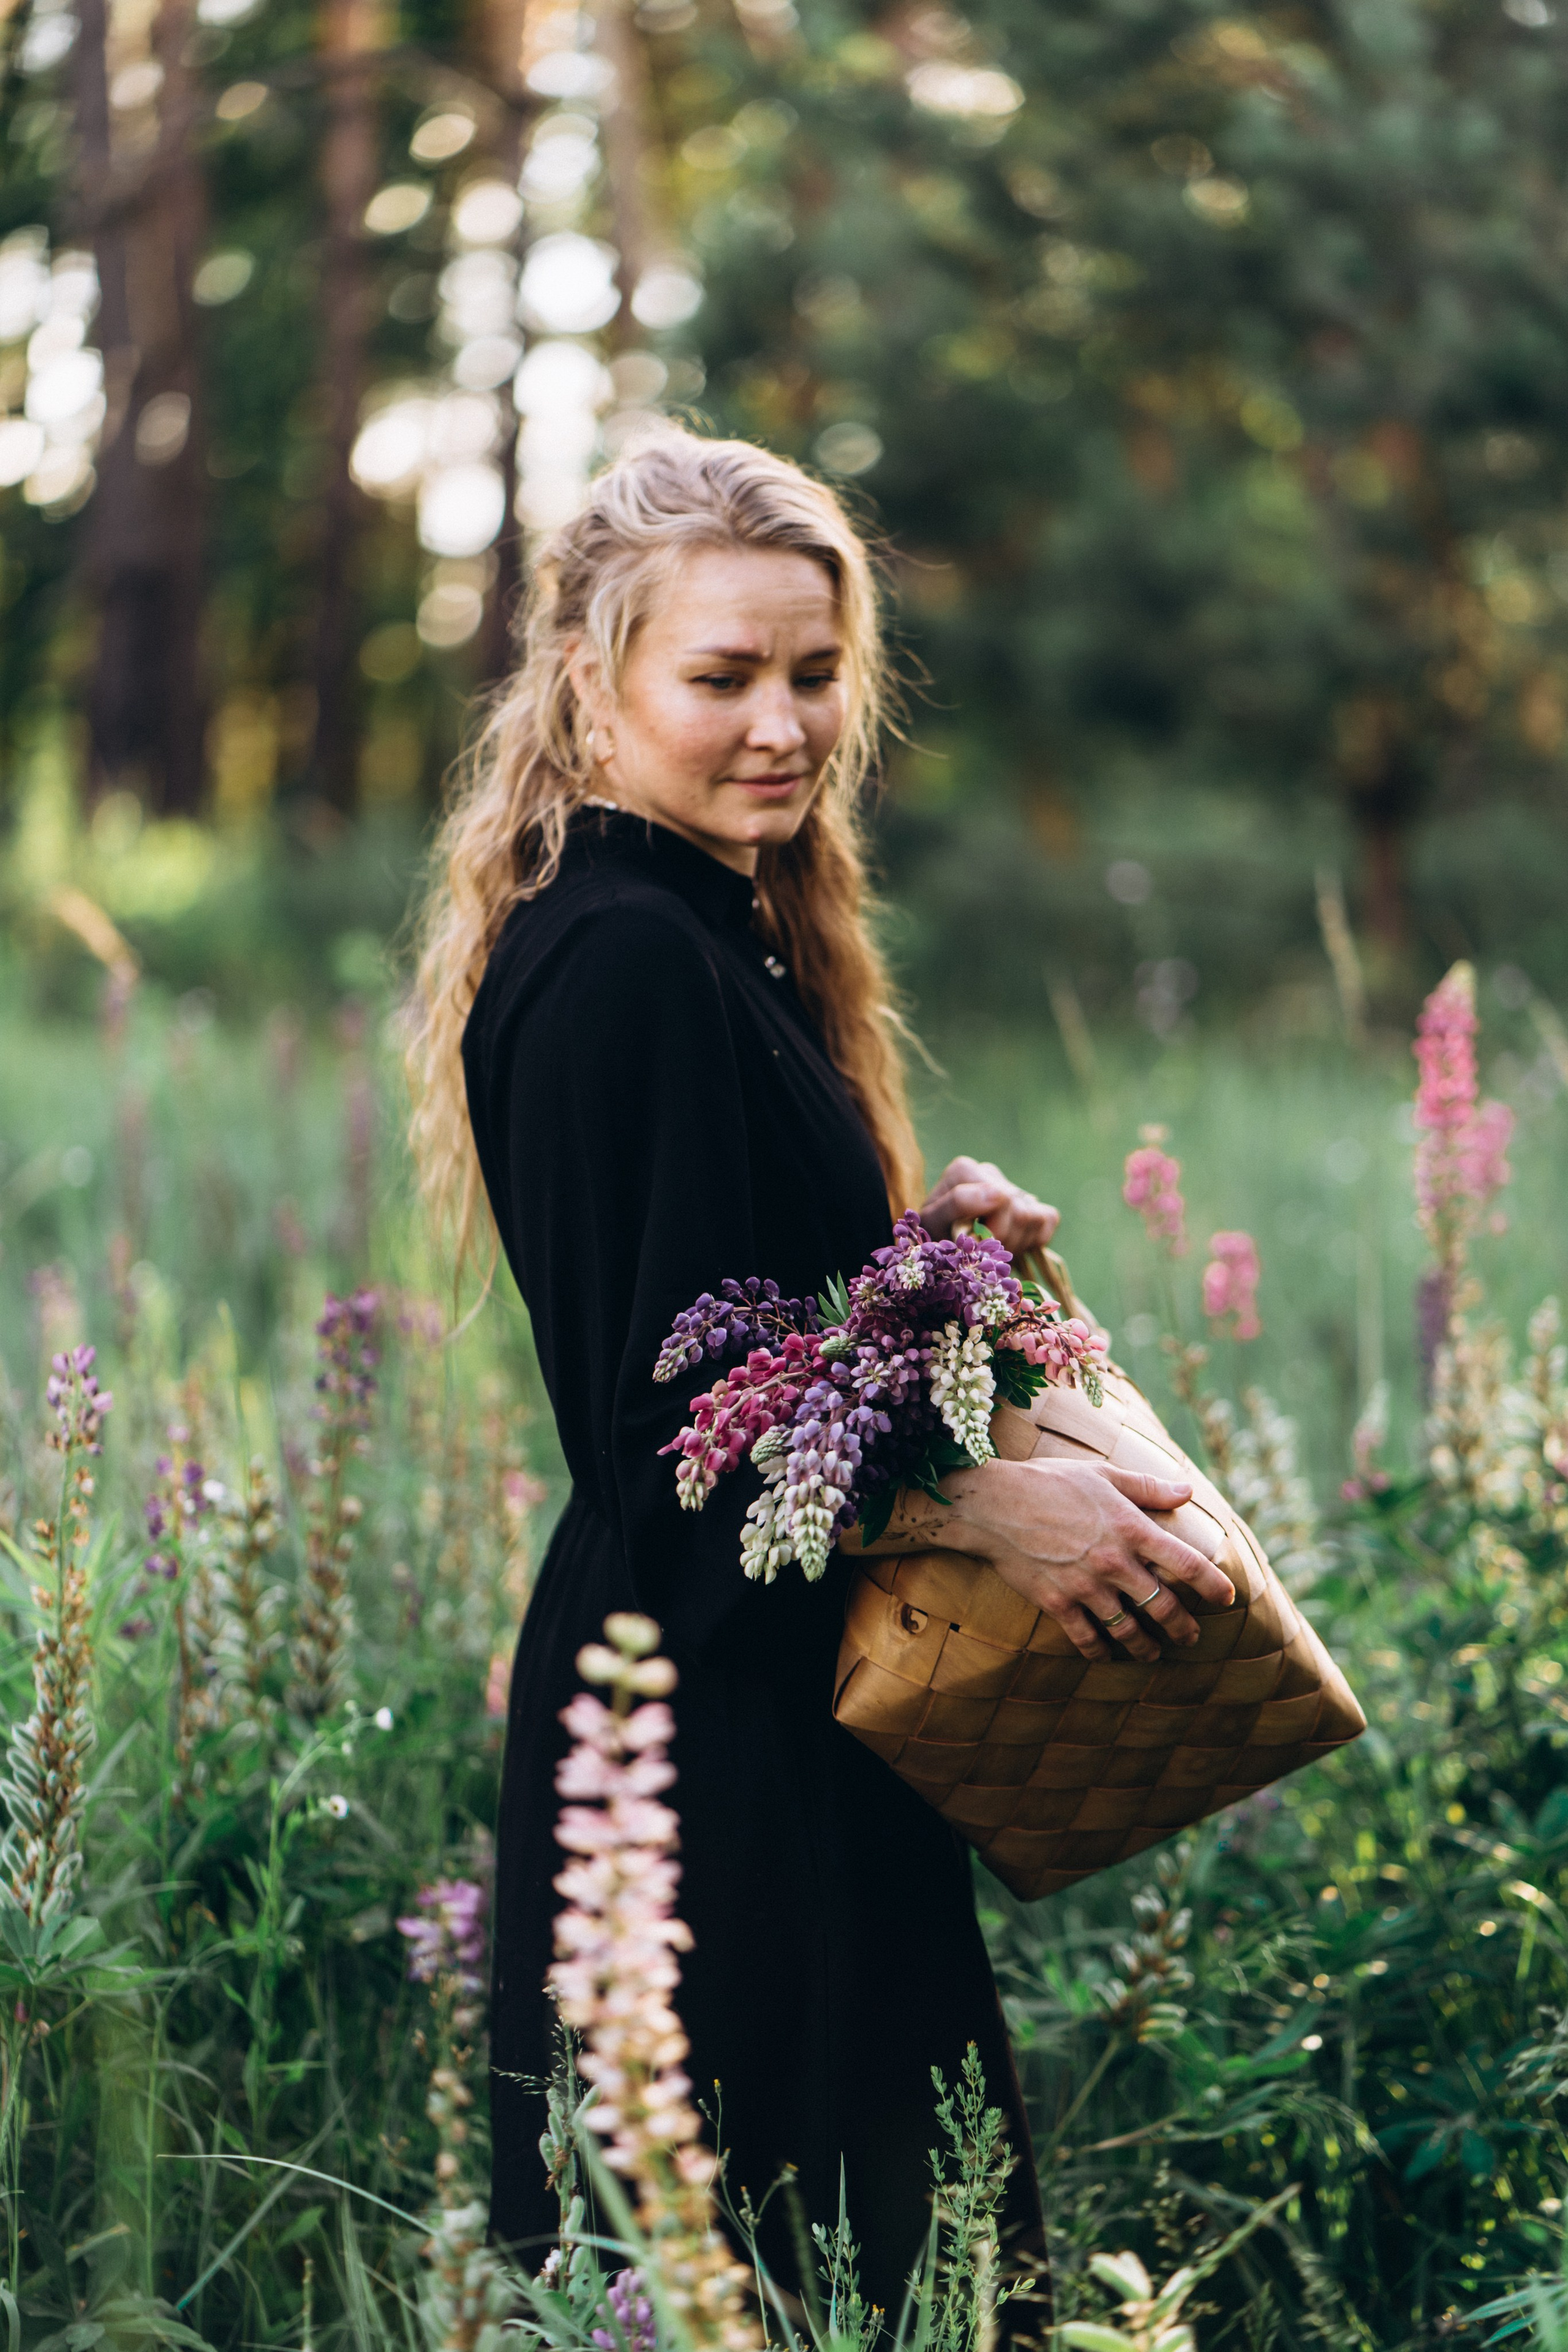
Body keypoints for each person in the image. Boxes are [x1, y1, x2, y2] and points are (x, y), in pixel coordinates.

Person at [406, 428, 1232, 2320]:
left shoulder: (715, 933)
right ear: (593, 687)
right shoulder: (622, 957)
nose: (781, 724)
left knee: (857, 2268)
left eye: (812, 672)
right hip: (700, 1754)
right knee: (783, 2274)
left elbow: (745, 1317)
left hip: (784, 1699)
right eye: (721, 677)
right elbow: (652, 1432)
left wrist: (935, 1262)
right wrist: (989, 1501)